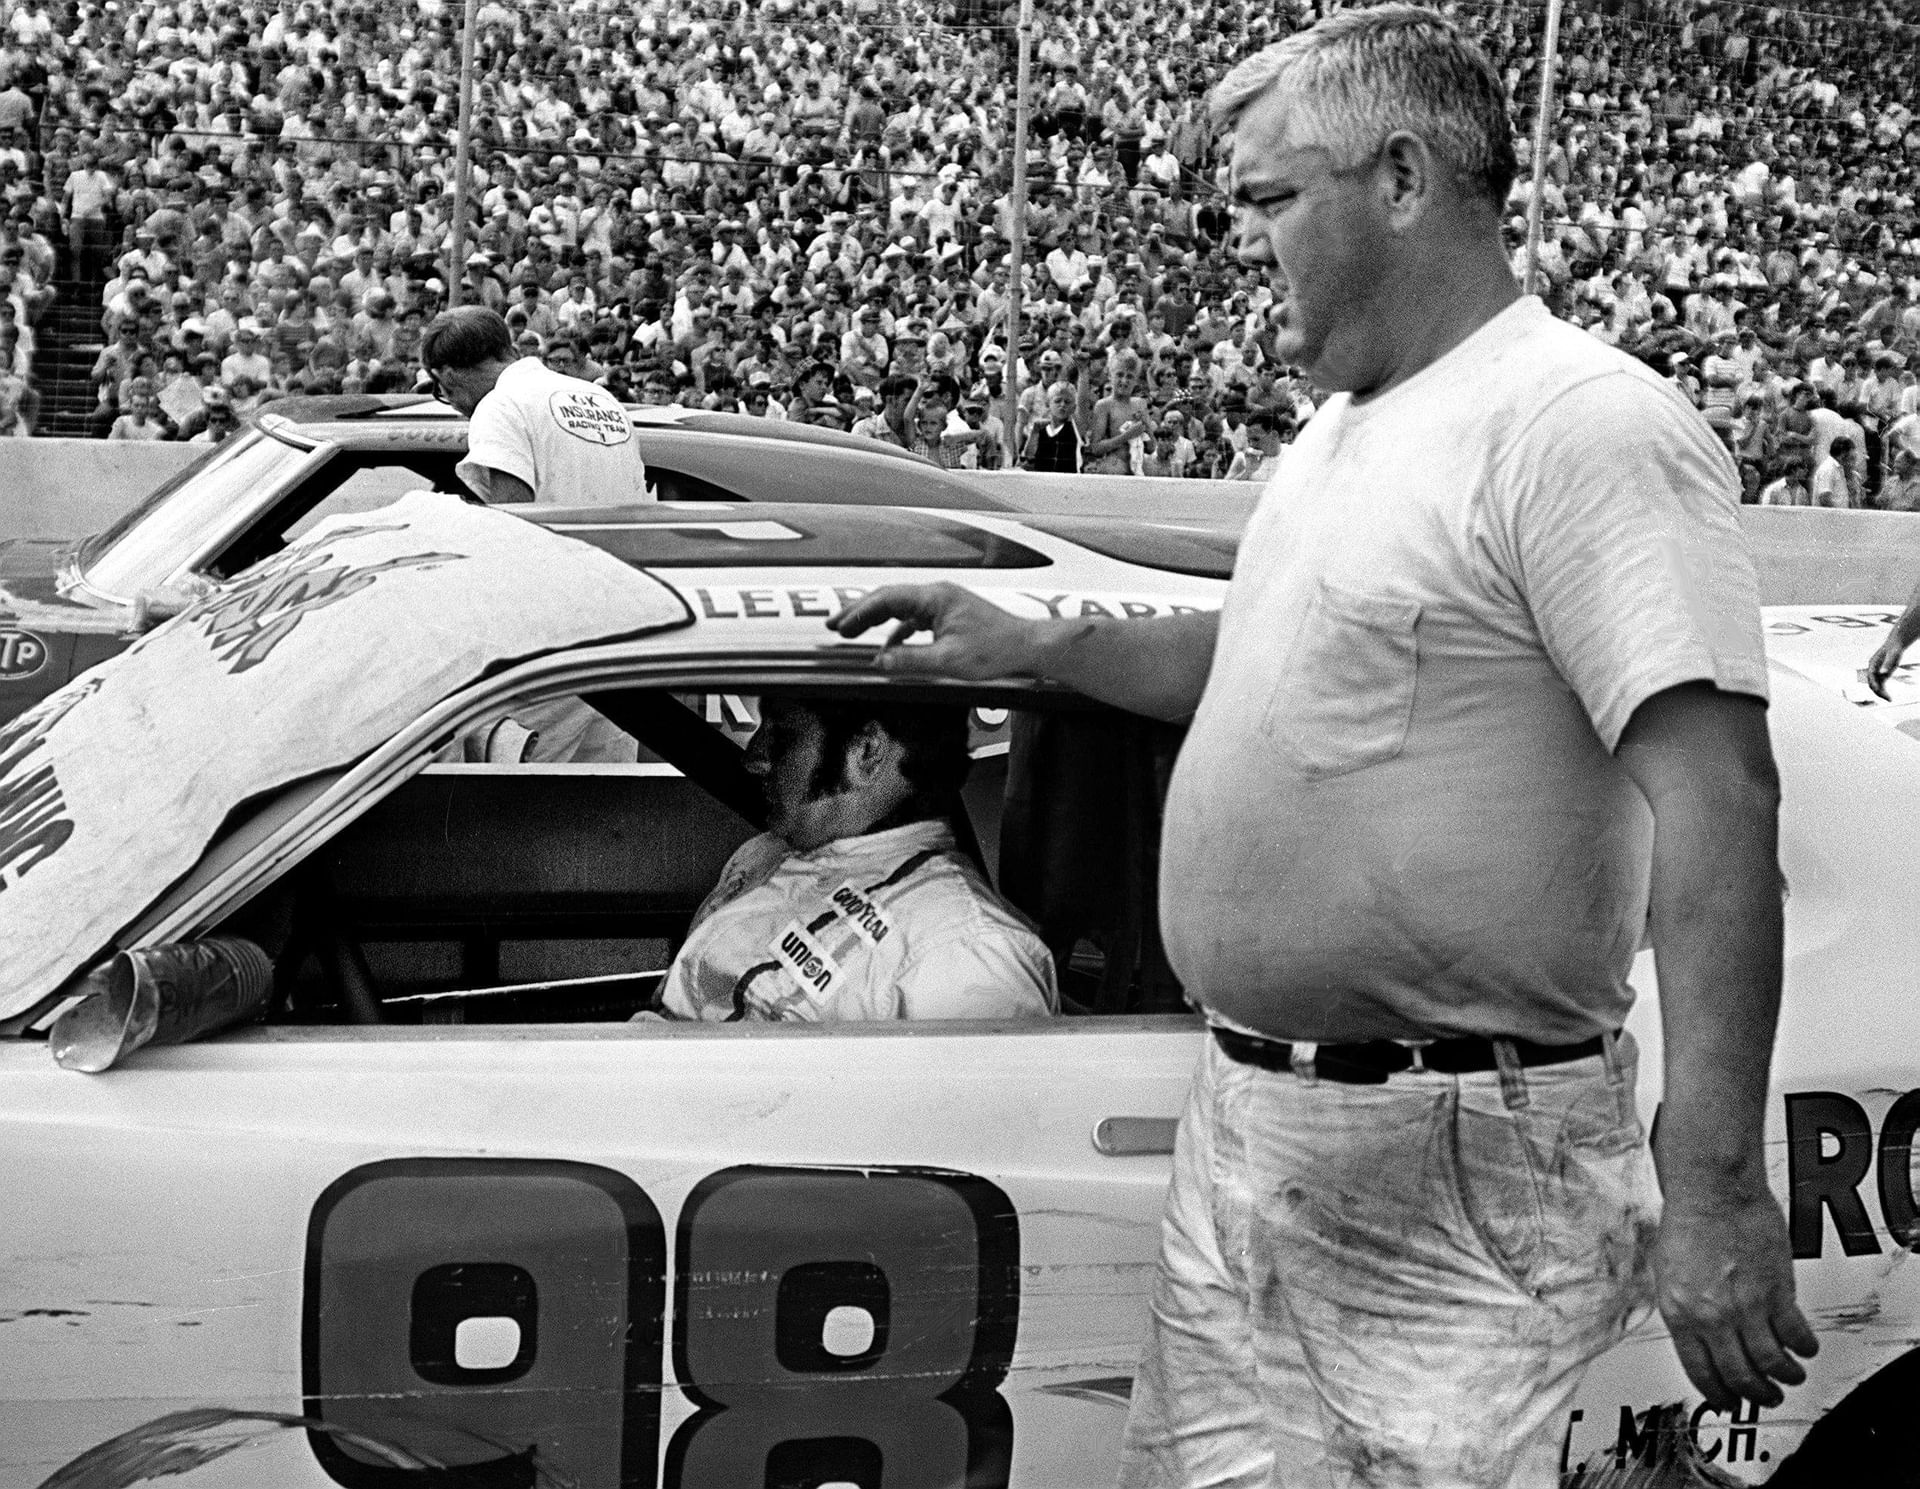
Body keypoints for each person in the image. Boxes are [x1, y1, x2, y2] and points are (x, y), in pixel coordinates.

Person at [829, 9, 1813, 1486]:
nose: (1251, 243)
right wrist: (1040, 646)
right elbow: (1272, 662)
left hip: (1454, 1152)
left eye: (1275, 199)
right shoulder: (1343, 433)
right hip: (1260, 1131)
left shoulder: (1580, 426)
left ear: (1402, 178)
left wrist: (1719, 1180)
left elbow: (1719, 795)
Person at [651, 697, 1057, 1024]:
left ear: (866, 752)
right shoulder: (766, 852)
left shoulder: (965, 952)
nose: (754, 758)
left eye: (783, 737)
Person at [422, 305, 650, 506]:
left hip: (555, 551)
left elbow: (514, 523)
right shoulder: (600, 396)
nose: (453, 404)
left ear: (446, 376)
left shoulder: (498, 407)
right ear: (510, 351)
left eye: (443, 393)